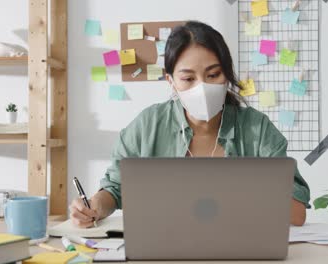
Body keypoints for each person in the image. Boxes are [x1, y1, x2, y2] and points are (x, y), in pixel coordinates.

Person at [70, 21, 310, 228]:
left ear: (227, 74)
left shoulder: (257, 129)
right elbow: (114, 189)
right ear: (171, 81)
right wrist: (92, 208)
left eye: (213, 75)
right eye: (188, 78)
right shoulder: (147, 127)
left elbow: (297, 212)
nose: (202, 87)